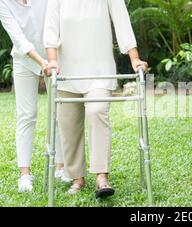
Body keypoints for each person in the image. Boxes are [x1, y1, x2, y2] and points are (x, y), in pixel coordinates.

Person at [44, 0, 148, 197]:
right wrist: (52, 61)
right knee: (69, 125)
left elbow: (122, 22)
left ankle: (102, 176)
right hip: (67, 71)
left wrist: (134, 58)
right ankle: (77, 178)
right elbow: (50, 30)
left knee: (97, 110)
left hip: (100, 72)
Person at [0, 0, 69, 193]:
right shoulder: (1, 1)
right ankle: (25, 174)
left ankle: (60, 167)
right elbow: (18, 38)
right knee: (26, 115)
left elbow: (57, 20)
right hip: (24, 59)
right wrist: (41, 61)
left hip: (54, 57)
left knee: (59, 111)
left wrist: (51, 60)